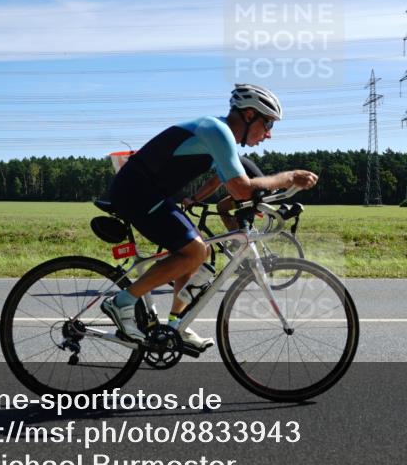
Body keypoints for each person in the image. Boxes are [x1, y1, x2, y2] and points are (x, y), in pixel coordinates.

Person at [101, 84, 318, 350]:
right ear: (249, 115)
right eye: (268, 123)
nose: (269, 134)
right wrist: (288, 178)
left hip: (150, 193)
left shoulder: (218, 137)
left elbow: (229, 186)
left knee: (196, 253)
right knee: (195, 251)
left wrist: (264, 205)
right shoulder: (216, 130)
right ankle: (121, 303)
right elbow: (241, 186)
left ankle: (175, 325)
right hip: (136, 191)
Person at [180, 154, 262, 232]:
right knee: (222, 206)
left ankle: (243, 240)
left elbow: (212, 184)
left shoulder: (227, 162)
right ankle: (238, 238)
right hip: (256, 194)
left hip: (253, 195)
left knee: (235, 217)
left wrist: (193, 199)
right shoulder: (231, 159)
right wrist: (194, 199)